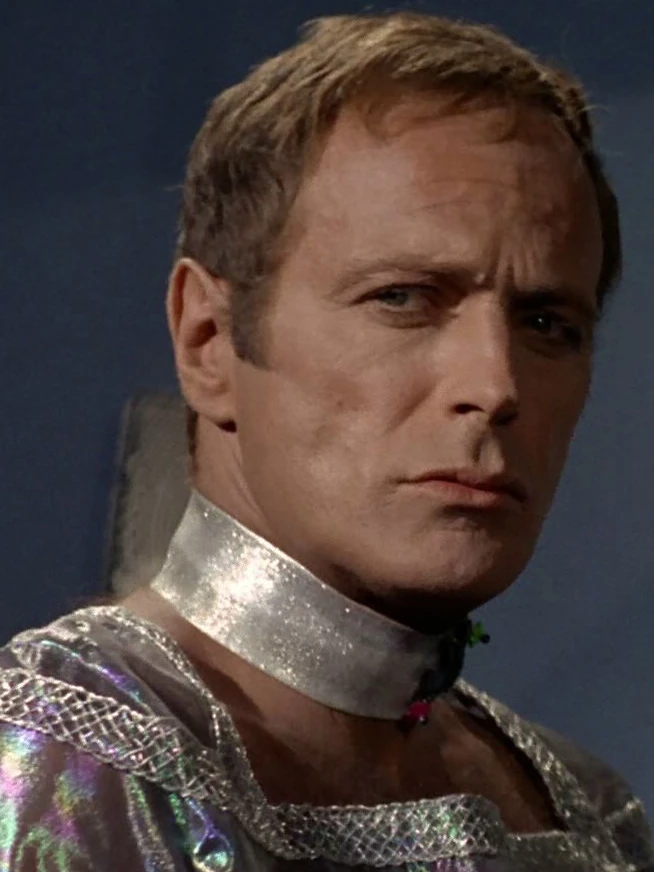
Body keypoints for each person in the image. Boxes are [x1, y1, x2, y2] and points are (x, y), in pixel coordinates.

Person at [0, 10, 650, 871]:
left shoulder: (595, 816)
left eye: (546, 323)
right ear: (208, 341)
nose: (495, 386)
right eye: (403, 298)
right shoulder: (61, 767)